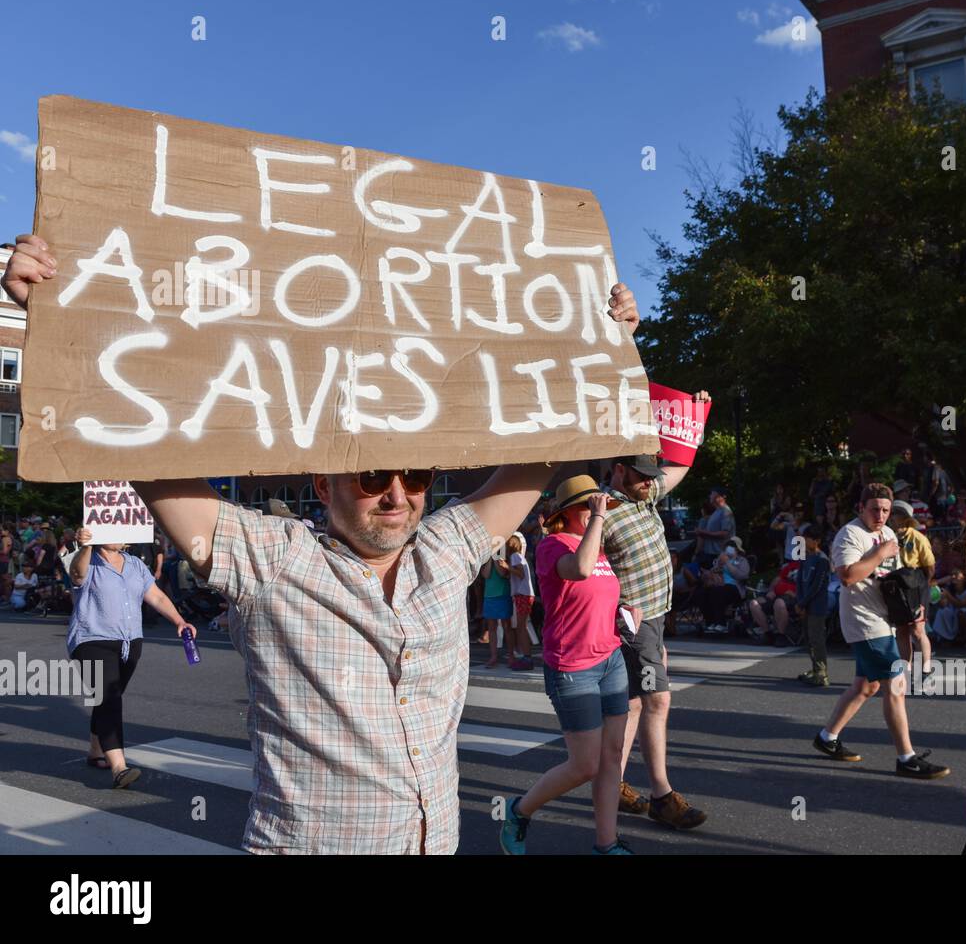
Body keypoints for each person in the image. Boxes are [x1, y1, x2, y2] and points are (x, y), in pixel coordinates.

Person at [2, 232, 644, 854]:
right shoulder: (274, 559)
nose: (398, 494)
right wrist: (59, 318)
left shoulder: (445, 550)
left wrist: (605, 341)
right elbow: (135, 440)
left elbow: (553, 446)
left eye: (416, 475)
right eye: (371, 476)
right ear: (323, 481)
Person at [499, 478, 631, 855]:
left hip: (611, 659)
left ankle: (606, 844)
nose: (597, 511)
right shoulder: (552, 546)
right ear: (570, 512)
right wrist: (598, 521)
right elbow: (582, 571)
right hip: (572, 666)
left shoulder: (596, 544)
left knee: (611, 757)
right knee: (585, 764)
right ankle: (519, 810)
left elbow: (594, 595)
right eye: (590, 505)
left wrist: (621, 613)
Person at [600, 449, 709, 830]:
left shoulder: (645, 494)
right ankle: (662, 796)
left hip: (656, 618)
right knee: (657, 700)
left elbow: (678, 467)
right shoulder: (603, 509)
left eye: (651, 476)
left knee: (632, 704)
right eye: (642, 475)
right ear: (618, 471)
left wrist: (694, 420)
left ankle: (611, 784)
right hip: (633, 621)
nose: (650, 481)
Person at [811, 484, 949, 779]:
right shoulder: (850, 534)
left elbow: (895, 580)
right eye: (875, 509)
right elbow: (848, 576)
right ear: (860, 508)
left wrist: (913, 610)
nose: (881, 515)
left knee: (866, 686)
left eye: (886, 510)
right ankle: (906, 758)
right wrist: (879, 553)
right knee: (895, 685)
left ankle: (827, 738)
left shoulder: (887, 533)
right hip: (864, 621)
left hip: (884, 618)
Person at [67, 527, 197, 789]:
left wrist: (179, 621)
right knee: (109, 698)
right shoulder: (85, 559)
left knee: (108, 698)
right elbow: (77, 575)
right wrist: (85, 547)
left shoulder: (136, 564)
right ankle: (119, 767)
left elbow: (156, 596)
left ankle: (96, 751)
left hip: (129, 642)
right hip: (92, 639)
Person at [889, 500, 934, 674]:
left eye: (897, 513)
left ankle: (926, 668)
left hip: (915, 584)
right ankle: (905, 668)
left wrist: (923, 586)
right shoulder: (888, 536)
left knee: (917, 629)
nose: (893, 517)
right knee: (901, 630)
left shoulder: (917, 537)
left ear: (906, 518)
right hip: (896, 585)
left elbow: (929, 566)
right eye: (892, 513)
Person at [793, 524, 833, 686]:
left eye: (807, 538)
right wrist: (799, 602)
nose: (803, 541)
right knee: (808, 639)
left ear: (816, 541)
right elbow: (800, 581)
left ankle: (822, 672)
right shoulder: (804, 557)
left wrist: (803, 602)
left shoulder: (822, 560)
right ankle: (814, 668)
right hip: (804, 604)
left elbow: (817, 586)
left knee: (817, 639)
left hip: (817, 605)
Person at [698, 536, 750, 636]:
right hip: (719, 586)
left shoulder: (742, 561)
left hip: (734, 588)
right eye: (728, 545)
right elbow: (713, 571)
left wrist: (728, 563)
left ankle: (721, 623)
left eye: (732, 546)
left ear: (737, 549)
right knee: (701, 593)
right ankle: (710, 621)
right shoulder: (721, 559)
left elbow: (742, 576)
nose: (729, 547)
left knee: (718, 591)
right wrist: (717, 567)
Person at [747, 555, 799, 643]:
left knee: (779, 603)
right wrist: (771, 590)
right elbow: (778, 578)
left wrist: (795, 594)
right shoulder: (791, 565)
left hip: (792, 598)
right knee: (754, 603)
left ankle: (781, 635)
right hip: (777, 596)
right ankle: (768, 634)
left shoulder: (809, 568)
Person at [505, 531, 535, 671]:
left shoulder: (515, 556)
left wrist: (507, 568)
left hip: (522, 594)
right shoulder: (519, 557)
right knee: (521, 626)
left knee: (521, 627)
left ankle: (527, 657)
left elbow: (521, 574)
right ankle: (526, 655)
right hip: (525, 594)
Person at [480, 551, 512, 668]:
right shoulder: (487, 559)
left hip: (503, 594)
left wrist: (495, 558)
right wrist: (489, 559)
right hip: (489, 596)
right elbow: (486, 575)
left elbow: (502, 573)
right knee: (492, 628)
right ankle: (493, 657)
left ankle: (511, 655)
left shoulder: (503, 556)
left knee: (507, 627)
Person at [694, 487, 735, 565]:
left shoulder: (725, 512)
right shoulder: (717, 511)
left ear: (720, 496)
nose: (710, 496)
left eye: (712, 493)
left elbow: (724, 534)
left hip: (719, 554)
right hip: (712, 553)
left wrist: (703, 532)